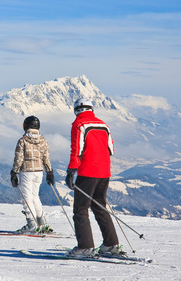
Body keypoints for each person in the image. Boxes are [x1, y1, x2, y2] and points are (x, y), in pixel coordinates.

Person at [65, 98, 124, 257]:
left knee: (80, 209)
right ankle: (111, 244)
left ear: (76, 110)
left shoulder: (79, 125)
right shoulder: (103, 125)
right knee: (100, 206)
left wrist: (71, 171)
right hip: (104, 173)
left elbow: (76, 149)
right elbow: (111, 149)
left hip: (87, 173)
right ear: (91, 109)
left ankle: (85, 247)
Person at [10, 115, 55, 233]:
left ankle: (31, 224)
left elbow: (19, 158)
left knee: (27, 197)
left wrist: (14, 172)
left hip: (26, 172)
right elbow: (46, 158)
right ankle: (42, 222)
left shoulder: (23, 140)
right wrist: (49, 172)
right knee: (35, 196)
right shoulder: (43, 141)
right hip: (39, 172)